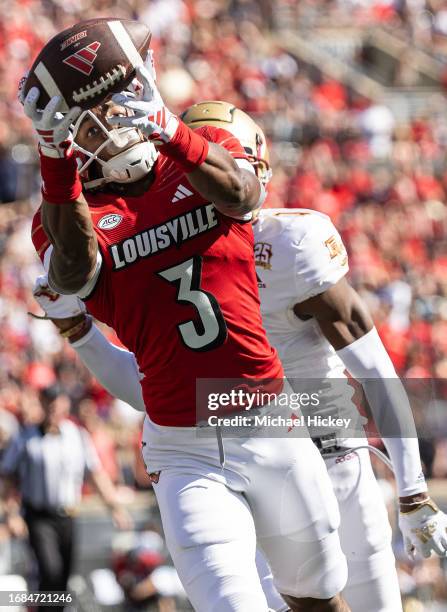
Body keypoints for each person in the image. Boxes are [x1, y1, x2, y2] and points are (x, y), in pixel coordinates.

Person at [32, 100, 447, 612]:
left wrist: (411, 488)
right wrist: (82, 333)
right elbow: (151, 388)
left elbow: (376, 371)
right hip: (210, 448)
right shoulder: (149, 248)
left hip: (325, 446)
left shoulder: (291, 242)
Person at [24, 35, 350, 612]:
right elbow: (73, 274)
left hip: (271, 419)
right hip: (184, 449)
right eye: (89, 121)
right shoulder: (66, 213)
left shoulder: (202, 146)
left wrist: (170, 128)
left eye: (117, 102)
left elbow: (242, 193)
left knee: (318, 598)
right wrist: (55, 162)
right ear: (70, 135)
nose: (110, 123)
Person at [0, 384, 131, 612]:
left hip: (68, 516)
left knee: (62, 577)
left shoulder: (77, 436)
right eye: (48, 401)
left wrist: (115, 507)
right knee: (50, 570)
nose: (53, 407)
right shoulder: (26, 436)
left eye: (57, 401)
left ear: (65, 404)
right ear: (41, 403)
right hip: (38, 515)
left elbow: (95, 474)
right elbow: (9, 477)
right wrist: (11, 513)